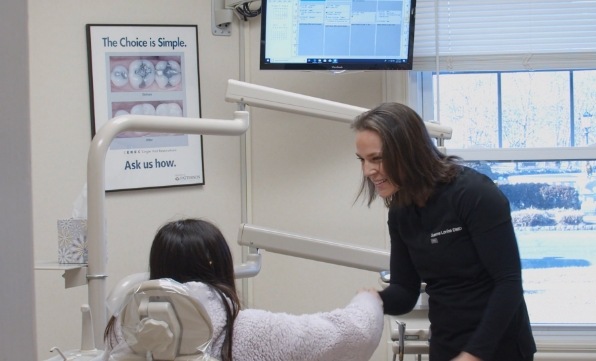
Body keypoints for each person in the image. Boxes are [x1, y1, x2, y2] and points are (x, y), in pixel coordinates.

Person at [352, 103, 536, 361]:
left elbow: (509, 284)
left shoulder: (473, 194)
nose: (368, 171)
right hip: (447, 344)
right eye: (363, 160)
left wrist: (474, 355)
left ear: (408, 151)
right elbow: (405, 291)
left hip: (499, 346)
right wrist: (373, 301)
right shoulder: (401, 211)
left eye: (377, 158)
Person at [99, 218, 384, 361]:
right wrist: (368, 300)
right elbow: (351, 334)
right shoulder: (245, 330)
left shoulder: (125, 333)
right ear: (219, 264)